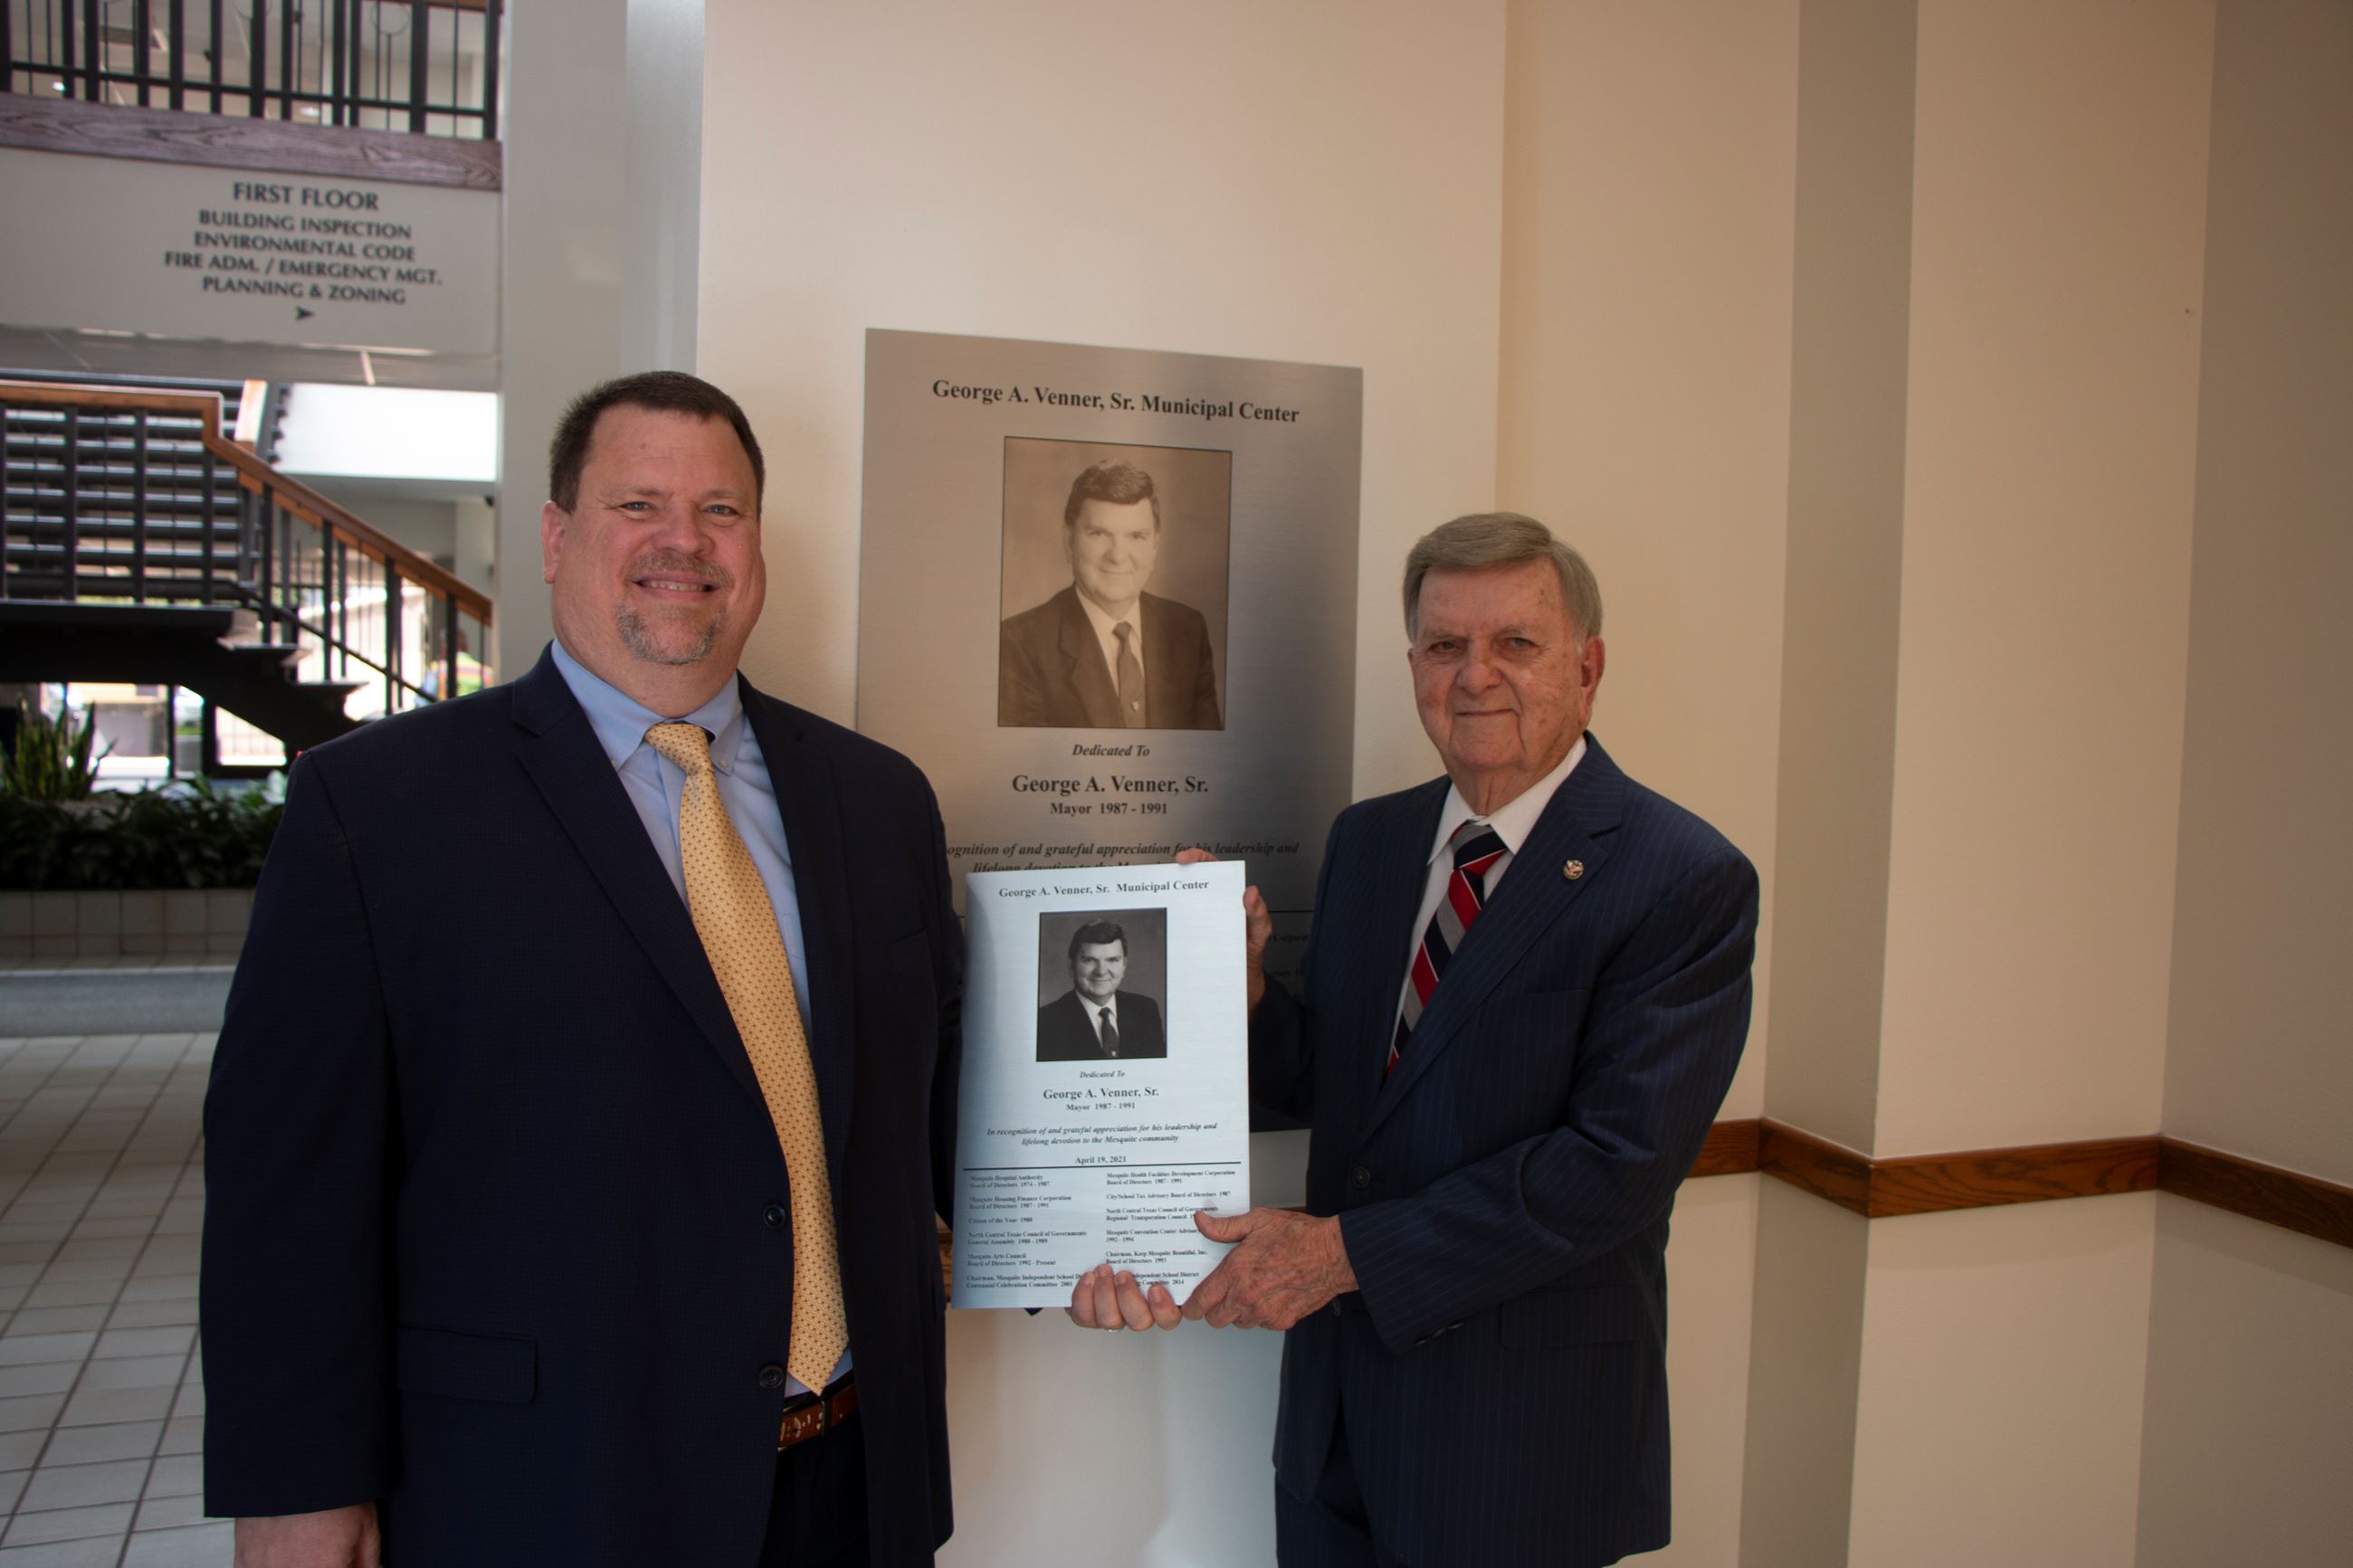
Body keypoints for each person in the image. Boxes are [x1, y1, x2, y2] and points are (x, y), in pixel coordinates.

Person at [202, 372, 963, 1568]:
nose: (683, 541)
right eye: (637, 504)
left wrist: (1107, 1206)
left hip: (855, 1482)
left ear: (756, 545)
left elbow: (944, 1104)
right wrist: (298, 1488)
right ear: (557, 536)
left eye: (721, 511)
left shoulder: (879, 799)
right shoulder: (379, 807)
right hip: (556, 1490)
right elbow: (288, 1194)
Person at [1072, 513, 1758, 1568]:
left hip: (1517, 1443)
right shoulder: (1371, 840)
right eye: (1444, 644)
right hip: (1335, 1425)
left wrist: (1337, 1255)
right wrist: (1242, 995)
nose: (1475, 674)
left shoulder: (1679, 876)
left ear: (1586, 667)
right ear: (1412, 668)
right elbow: (1333, 1081)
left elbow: (1611, 1167)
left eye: (1514, 642)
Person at [997, 460, 1223, 729]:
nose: (1117, 556)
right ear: (1069, 541)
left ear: (1154, 547)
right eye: (1099, 534)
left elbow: (1206, 753)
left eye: (1136, 536)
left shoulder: (1188, 631)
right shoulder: (1018, 645)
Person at [1035, 919, 1167, 1062]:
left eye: (1112, 960)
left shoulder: (1145, 1009)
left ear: (1124, 965)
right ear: (1071, 966)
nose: (1101, 971)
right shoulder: (1045, 1021)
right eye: (1089, 960)